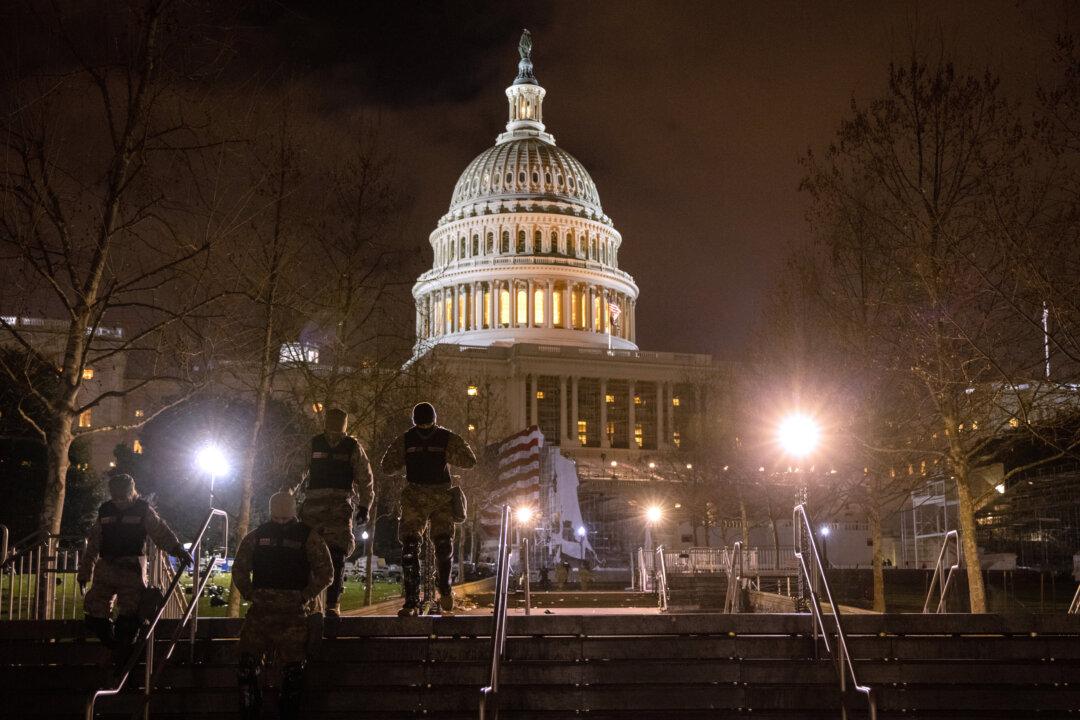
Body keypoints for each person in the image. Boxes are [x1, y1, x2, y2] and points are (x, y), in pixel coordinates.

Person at [232, 492, 333, 720]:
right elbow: (239, 568)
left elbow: (326, 572)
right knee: (246, 666)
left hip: (293, 615)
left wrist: (304, 596)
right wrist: (250, 593)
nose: (280, 522)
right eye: (277, 517)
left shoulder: (308, 537)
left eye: (284, 517)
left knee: (293, 674)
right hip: (261, 613)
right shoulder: (257, 536)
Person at [78, 474, 190, 665]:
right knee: (96, 609)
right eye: (116, 496)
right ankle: (114, 646)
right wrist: (84, 572)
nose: (120, 500)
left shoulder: (142, 510)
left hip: (131, 568)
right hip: (108, 566)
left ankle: (123, 656)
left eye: (122, 496)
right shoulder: (106, 510)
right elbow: (94, 543)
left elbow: (159, 531)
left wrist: (177, 548)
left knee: (129, 614)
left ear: (131, 492)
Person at [380, 402, 475, 617]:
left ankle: (411, 602)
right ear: (434, 418)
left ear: (414, 420)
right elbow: (469, 460)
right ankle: (445, 590)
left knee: (411, 547)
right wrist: (445, 454)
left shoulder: (406, 439)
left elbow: (387, 466)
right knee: (443, 544)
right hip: (441, 495)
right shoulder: (445, 438)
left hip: (415, 495)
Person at [294, 408, 373, 624]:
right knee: (332, 556)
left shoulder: (320, 444)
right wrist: (364, 506)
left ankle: (320, 603)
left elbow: (296, 473)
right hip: (333, 507)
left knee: (321, 556)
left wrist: (287, 496)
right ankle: (330, 604)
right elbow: (366, 479)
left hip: (323, 507)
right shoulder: (350, 446)